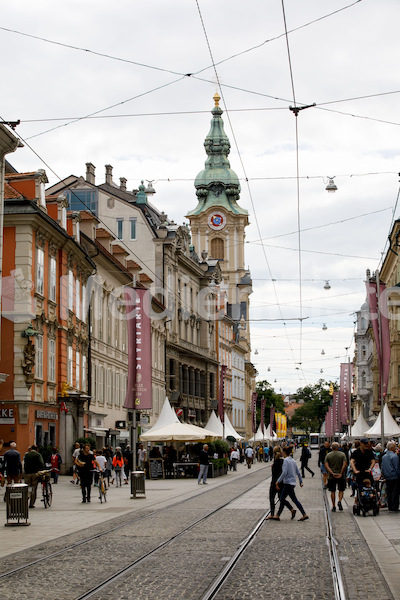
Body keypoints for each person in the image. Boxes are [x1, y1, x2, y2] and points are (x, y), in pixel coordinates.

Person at [272, 446, 309, 521]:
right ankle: (278, 515)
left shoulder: (286, 461)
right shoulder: (293, 460)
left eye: (282, 452)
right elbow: (298, 472)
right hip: (292, 483)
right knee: (282, 498)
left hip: (288, 483)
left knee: (291, 499)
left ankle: (304, 514)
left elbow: (284, 472)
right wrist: (300, 481)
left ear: (284, 453)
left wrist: (278, 481)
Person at [266, 446, 296, 520]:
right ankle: (290, 509)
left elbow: (276, 473)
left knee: (272, 498)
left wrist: (276, 483)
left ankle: (273, 514)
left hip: (275, 483)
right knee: (281, 498)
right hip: (281, 483)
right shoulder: (283, 461)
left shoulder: (276, 462)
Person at [350, 438, 375, 505]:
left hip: (367, 472)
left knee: (371, 484)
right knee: (359, 485)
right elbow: (352, 461)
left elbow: (373, 461)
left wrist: (370, 469)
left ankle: (371, 496)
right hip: (359, 472)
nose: (367, 445)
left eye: (367, 444)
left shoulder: (369, 452)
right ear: (361, 444)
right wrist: (355, 470)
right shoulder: (356, 452)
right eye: (365, 444)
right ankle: (360, 498)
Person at [324, 442, 347, 512]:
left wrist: (331, 473)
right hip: (341, 476)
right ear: (338, 447)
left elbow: (326, 465)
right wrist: (341, 473)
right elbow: (344, 464)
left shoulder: (328, 455)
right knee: (341, 490)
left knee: (332, 491)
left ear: (331, 447)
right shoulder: (342, 455)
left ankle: (333, 506)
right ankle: (339, 500)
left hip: (331, 476)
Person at [381, 441, 400, 512]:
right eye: (395, 447)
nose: (396, 448)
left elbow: (382, 467)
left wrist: (384, 475)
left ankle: (390, 505)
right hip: (394, 476)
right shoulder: (394, 456)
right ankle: (394, 507)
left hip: (387, 476)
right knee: (395, 492)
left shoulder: (384, 457)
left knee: (389, 491)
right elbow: (397, 467)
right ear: (392, 448)